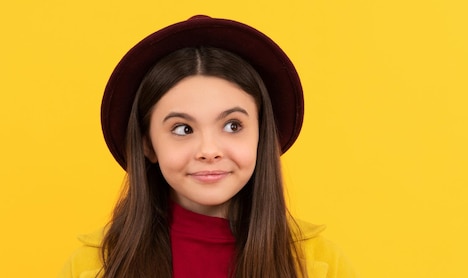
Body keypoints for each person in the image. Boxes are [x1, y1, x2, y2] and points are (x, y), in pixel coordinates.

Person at [59, 15, 356, 278]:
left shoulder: (323, 264)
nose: (209, 150)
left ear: (261, 135)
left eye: (233, 126)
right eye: (183, 129)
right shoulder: (92, 266)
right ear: (148, 145)